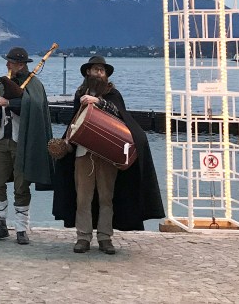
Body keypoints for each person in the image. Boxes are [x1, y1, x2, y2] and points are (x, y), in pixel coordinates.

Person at [51, 56, 165, 255]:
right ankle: (83, 237)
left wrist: (98, 101)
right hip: (83, 154)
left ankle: (105, 238)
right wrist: (67, 144)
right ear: (88, 72)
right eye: (96, 69)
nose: (99, 73)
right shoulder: (80, 94)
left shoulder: (113, 94)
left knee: (106, 198)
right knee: (83, 199)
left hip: (107, 155)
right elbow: (75, 123)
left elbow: (119, 114)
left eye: (102, 70)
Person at [0, 47, 54, 245]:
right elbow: (2, 107)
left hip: (22, 142)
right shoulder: (4, 83)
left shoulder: (34, 84)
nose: (7, 65)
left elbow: (35, 106)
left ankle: (22, 228)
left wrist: (9, 103)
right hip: (0, 139)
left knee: (21, 185)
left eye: (11, 62)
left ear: (21, 65)